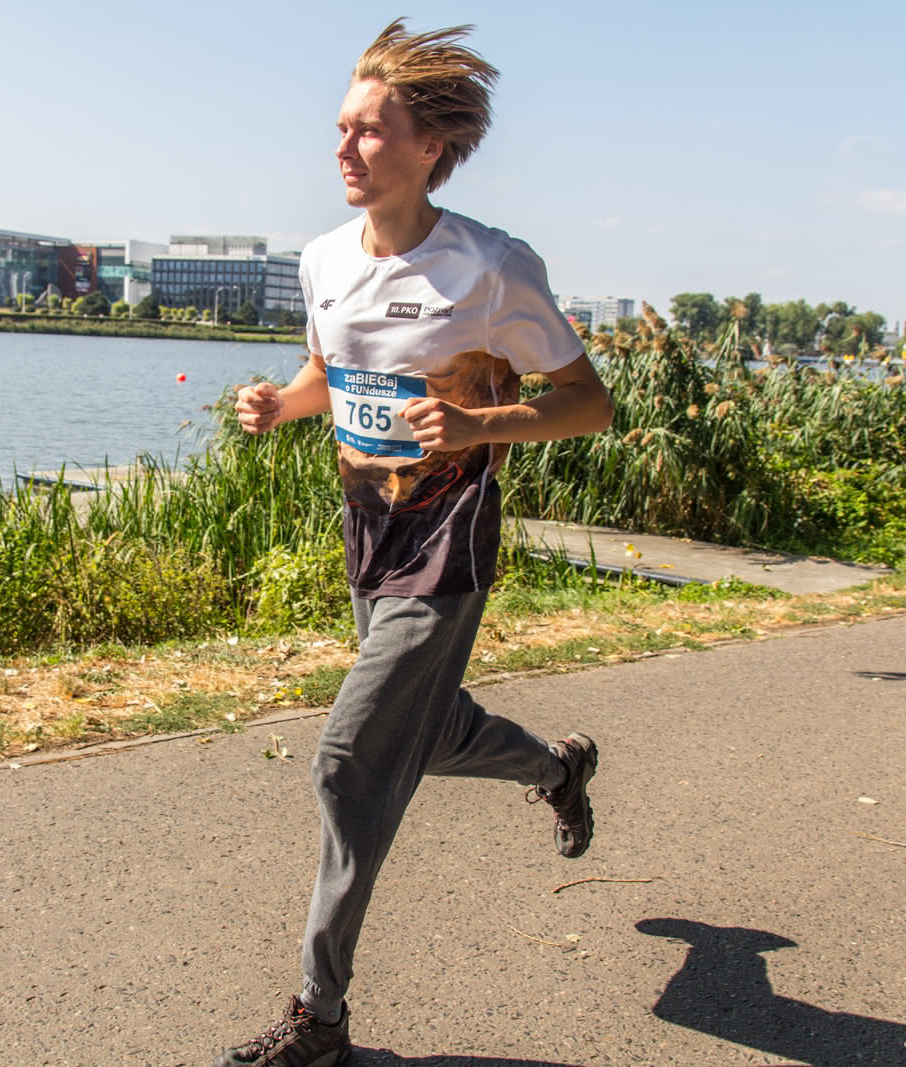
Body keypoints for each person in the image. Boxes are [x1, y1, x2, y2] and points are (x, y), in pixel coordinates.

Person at [217, 20, 614, 1067]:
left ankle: (320, 1019)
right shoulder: (321, 260)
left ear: (430, 145)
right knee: (426, 735)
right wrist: (279, 404)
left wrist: (485, 426)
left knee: (352, 764)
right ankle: (555, 767)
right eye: (340, 129)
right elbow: (327, 375)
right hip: (367, 528)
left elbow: (587, 403)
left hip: (448, 542)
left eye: (370, 132)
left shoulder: (488, 267)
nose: (345, 150)